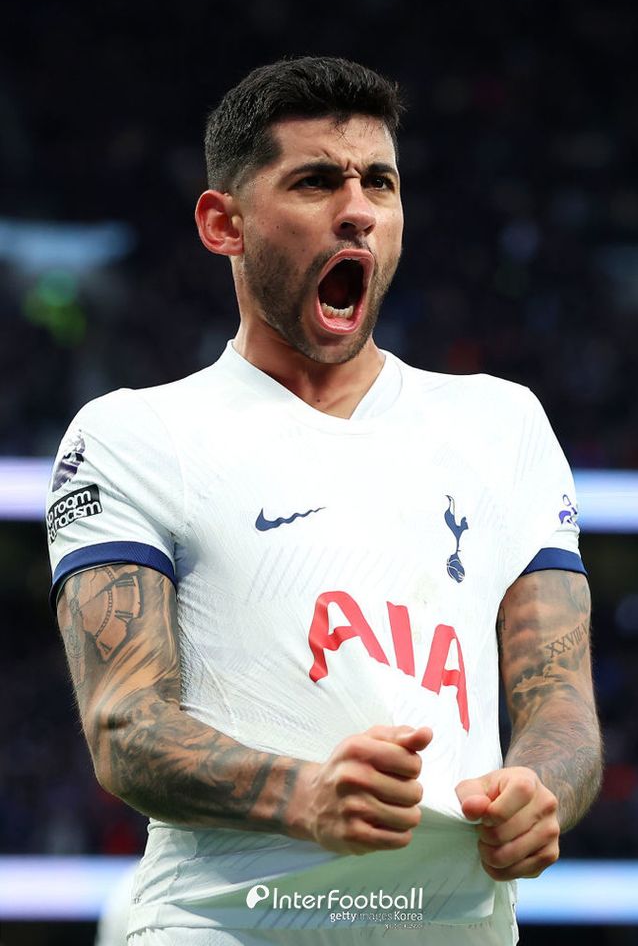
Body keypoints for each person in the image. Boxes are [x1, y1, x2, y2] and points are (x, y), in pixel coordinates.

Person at [47, 57, 601, 945]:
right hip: (226, 927)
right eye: (315, 181)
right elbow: (125, 727)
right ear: (223, 223)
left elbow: (560, 702)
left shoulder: (505, 424)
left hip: (457, 927)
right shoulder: (134, 435)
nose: (357, 209)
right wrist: (302, 794)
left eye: (379, 182)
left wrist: (543, 790)